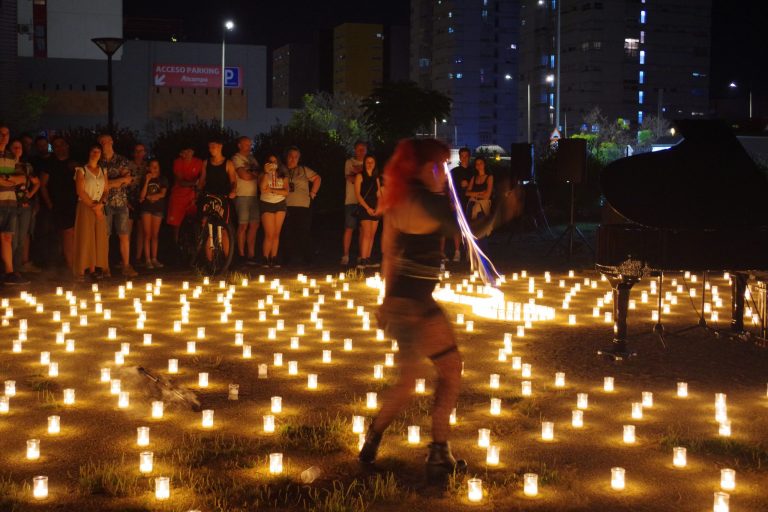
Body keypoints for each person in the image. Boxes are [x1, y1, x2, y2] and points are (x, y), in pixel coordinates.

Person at [358, 138, 465, 481]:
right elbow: (466, 229)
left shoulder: (398, 201)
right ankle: (438, 452)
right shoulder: (423, 203)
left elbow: (389, 256)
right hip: (416, 303)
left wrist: (387, 302)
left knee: (410, 379)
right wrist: (503, 210)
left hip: (408, 301)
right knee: (448, 369)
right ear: (420, 168)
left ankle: (373, 440)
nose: (443, 174)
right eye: (438, 166)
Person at [98, 134, 137, 277]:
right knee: (105, 236)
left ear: (112, 142)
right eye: (102, 142)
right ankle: (105, 267)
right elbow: (100, 184)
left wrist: (109, 183)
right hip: (105, 203)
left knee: (124, 234)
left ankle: (126, 266)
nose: (104, 143)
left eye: (107, 141)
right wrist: (117, 181)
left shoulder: (121, 160)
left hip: (121, 201)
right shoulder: (98, 162)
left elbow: (128, 180)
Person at [39, 135, 79, 268]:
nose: (59, 147)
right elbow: (43, 184)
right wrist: (50, 203)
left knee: (73, 234)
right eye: (56, 145)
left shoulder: (75, 162)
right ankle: (71, 266)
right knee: (66, 233)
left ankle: (74, 264)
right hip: (59, 204)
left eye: (62, 144)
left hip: (75, 203)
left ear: (67, 145)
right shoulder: (50, 164)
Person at [72, 145, 108, 281]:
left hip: (99, 205)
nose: (96, 154)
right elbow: (80, 191)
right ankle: (81, 270)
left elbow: (106, 190)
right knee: (85, 236)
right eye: (93, 151)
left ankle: (94, 269)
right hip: (86, 205)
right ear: (89, 152)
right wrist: (94, 207)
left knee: (98, 237)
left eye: (98, 152)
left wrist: (101, 205)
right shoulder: (81, 170)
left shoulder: (103, 171)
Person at [197, 137, 237, 262]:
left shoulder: (228, 163)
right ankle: (209, 261)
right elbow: (202, 180)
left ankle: (226, 260)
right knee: (207, 227)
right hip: (209, 197)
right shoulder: (206, 163)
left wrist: (233, 191)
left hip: (223, 198)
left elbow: (233, 181)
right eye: (209, 147)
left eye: (213, 146)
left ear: (220, 147)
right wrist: (197, 191)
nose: (211, 150)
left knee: (224, 228)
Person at [0, 126, 29, 284]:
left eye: (7, 134)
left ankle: (9, 272)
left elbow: (23, 178)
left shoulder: (11, 156)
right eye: (1, 134)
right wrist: (9, 179)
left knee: (7, 237)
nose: (4, 136)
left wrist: (6, 178)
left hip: (10, 202)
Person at [282, 146, 321, 266]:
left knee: (303, 231)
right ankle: (287, 258)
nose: (293, 159)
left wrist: (313, 193)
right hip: (286, 205)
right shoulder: (281, 170)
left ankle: (307, 258)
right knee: (288, 232)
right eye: (291, 156)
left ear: (299, 158)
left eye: (296, 157)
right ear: (287, 157)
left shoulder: (304, 170)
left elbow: (317, 178)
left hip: (303, 206)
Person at [9, 139, 41, 274]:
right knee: (12, 239)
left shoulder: (26, 166)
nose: (17, 150)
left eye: (19, 147)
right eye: (15, 147)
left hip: (25, 205)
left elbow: (37, 183)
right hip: (10, 204)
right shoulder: (6, 165)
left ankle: (17, 268)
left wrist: (30, 194)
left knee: (21, 238)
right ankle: (9, 269)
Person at [231, 136, 260, 265]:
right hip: (242, 195)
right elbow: (244, 176)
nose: (249, 147)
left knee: (254, 225)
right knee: (243, 225)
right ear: (239, 145)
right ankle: (241, 254)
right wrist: (253, 173)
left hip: (254, 195)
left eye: (250, 144)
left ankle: (251, 255)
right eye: (246, 144)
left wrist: (251, 172)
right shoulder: (236, 158)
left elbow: (259, 173)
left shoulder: (252, 159)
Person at [166, 146, 203, 243]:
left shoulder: (198, 162)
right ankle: (176, 243)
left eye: (190, 151)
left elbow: (202, 179)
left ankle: (194, 242)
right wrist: (195, 183)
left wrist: (198, 189)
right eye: (185, 151)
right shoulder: (178, 162)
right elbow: (180, 181)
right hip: (178, 195)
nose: (188, 154)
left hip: (192, 195)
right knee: (176, 223)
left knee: (194, 219)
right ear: (181, 153)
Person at [259, 154, 288, 267]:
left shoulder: (283, 175)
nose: (272, 164)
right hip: (266, 204)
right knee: (269, 234)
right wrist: (267, 173)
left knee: (276, 234)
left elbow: (286, 192)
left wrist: (271, 189)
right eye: (270, 162)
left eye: (275, 161)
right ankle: (265, 258)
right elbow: (262, 189)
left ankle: (274, 258)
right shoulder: (263, 175)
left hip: (280, 204)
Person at [444, 147, 472, 262]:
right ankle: (457, 252)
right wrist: (451, 201)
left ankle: (468, 252)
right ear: (460, 157)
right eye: (462, 156)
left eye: (466, 156)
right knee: (457, 228)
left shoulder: (473, 171)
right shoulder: (454, 172)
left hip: (470, 203)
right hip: (458, 202)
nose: (464, 158)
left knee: (469, 228)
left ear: (469, 157)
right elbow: (449, 188)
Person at [138, 159, 168, 269]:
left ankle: (154, 258)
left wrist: (151, 197)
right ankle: (147, 259)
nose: (154, 169)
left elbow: (163, 193)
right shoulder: (144, 179)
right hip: (146, 209)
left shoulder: (162, 179)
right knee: (147, 234)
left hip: (158, 209)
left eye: (156, 166)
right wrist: (146, 181)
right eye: (152, 166)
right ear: (148, 168)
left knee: (155, 235)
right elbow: (141, 196)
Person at [354, 154, 381, 269]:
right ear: (364, 163)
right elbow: (358, 194)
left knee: (372, 235)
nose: (370, 164)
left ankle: (368, 259)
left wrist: (378, 208)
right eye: (368, 162)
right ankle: (363, 259)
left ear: (375, 164)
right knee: (366, 233)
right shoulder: (360, 176)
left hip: (375, 208)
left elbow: (379, 194)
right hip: (365, 207)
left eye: (372, 162)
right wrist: (367, 208)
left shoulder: (376, 178)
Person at [342, 141, 366, 265]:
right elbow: (349, 178)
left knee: (363, 229)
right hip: (351, 200)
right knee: (349, 227)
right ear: (355, 150)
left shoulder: (369, 162)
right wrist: (361, 175)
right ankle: (345, 255)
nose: (361, 151)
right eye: (359, 149)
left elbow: (369, 180)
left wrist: (357, 173)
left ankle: (361, 256)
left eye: (363, 149)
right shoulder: (349, 162)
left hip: (365, 201)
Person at [126, 143, 148, 264]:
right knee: (127, 230)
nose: (139, 153)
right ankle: (126, 258)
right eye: (137, 151)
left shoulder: (147, 166)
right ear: (133, 153)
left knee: (141, 229)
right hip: (130, 198)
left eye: (142, 151)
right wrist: (126, 201)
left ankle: (139, 257)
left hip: (143, 199)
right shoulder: (128, 165)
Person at [465, 156, 493, 221]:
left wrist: (472, 194)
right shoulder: (474, 177)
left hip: (483, 206)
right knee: (470, 226)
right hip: (471, 205)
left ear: (484, 164)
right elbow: (466, 193)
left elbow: (487, 196)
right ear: (475, 166)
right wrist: (479, 193)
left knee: (480, 227)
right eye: (477, 164)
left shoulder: (489, 177)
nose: (479, 165)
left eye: (481, 163)